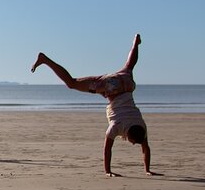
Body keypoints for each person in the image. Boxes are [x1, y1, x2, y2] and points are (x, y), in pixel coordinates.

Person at [31, 34, 160, 177]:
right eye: (133, 141)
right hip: (111, 87)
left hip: (126, 83)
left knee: (129, 66)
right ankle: (45, 59)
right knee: (72, 83)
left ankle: (135, 44)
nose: (133, 144)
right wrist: (108, 172)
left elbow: (145, 147)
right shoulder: (117, 126)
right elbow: (107, 149)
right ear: (129, 134)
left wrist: (147, 170)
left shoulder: (141, 125)